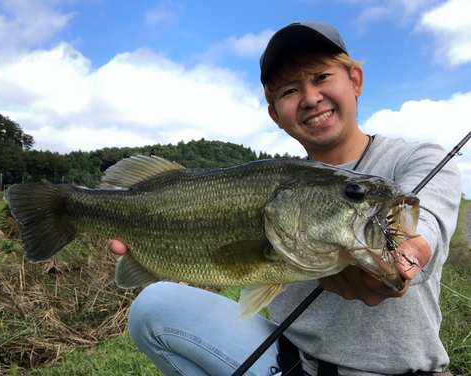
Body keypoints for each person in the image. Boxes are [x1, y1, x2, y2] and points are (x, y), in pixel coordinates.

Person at [108, 22, 461, 376]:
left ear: (355, 81)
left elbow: (423, 225)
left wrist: (403, 259)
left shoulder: (420, 160)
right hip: (291, 362)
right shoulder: (275, 179)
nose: (310, 98)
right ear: (275, 114)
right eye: (291, 90)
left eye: (322, 76)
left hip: (403, 370)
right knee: (153, 306)